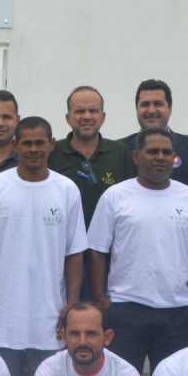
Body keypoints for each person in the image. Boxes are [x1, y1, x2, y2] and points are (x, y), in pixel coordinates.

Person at [0, 116, 86, 376]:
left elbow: (75, 254)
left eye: (39, 143)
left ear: (51, 145)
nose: (33, 149)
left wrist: (72, 303)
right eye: (26, 143)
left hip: (50, 315)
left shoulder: (67, 190)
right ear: (14, 146)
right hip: (3, 315)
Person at [87, 127, 188, 373]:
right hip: (125, 308)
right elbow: (96, 251)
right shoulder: (115, 196)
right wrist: (102, 301)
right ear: (136, 156)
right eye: (152, 151)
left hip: (177, 311)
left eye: (167, 152)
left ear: (174, 158)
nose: (160, 157)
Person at [48, 85, 134, 301]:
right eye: (79, 111)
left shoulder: (119, 153)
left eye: (93, 111)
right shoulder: (52, 153)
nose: (87, 116)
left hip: (109, 261)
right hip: (61, 258)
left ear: (103, 116)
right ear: (68, 117)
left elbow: (134, 199)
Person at [118, 79, 188, 191]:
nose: (151, 110)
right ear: (136, 109)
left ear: (170, 108)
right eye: (145, 104)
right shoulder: (120, 149)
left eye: (158, 104)